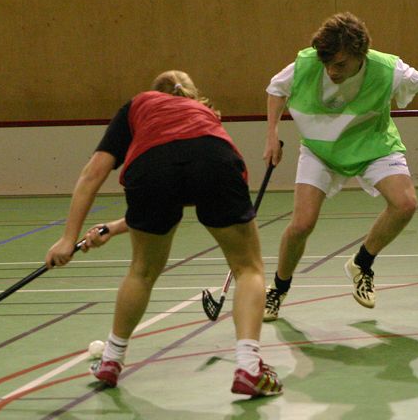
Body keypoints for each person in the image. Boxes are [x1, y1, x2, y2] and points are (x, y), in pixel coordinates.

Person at [45, 70, 282, 397]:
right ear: (192, 95)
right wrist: (114, 227)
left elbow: (94, 174)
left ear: (155, 92)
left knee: (141, 272)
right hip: (214, 159)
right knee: (248, 268)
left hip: (149, 167)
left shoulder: (138, 107)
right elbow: (193, 181)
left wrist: (67, 238)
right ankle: (249, 368)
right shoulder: (204, 114)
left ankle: (111, 360)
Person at [261, 12, 418, 321]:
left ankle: (362, 263)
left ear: (360, 55)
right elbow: (276, 89)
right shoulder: (307, 63)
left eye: (340, 64)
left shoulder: (387, 69)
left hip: (372, 144)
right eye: (327, 63)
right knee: (301, 225)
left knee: (405, 203)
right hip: (320, 150)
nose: (332, 71)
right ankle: (278, 288)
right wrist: (271, 134)